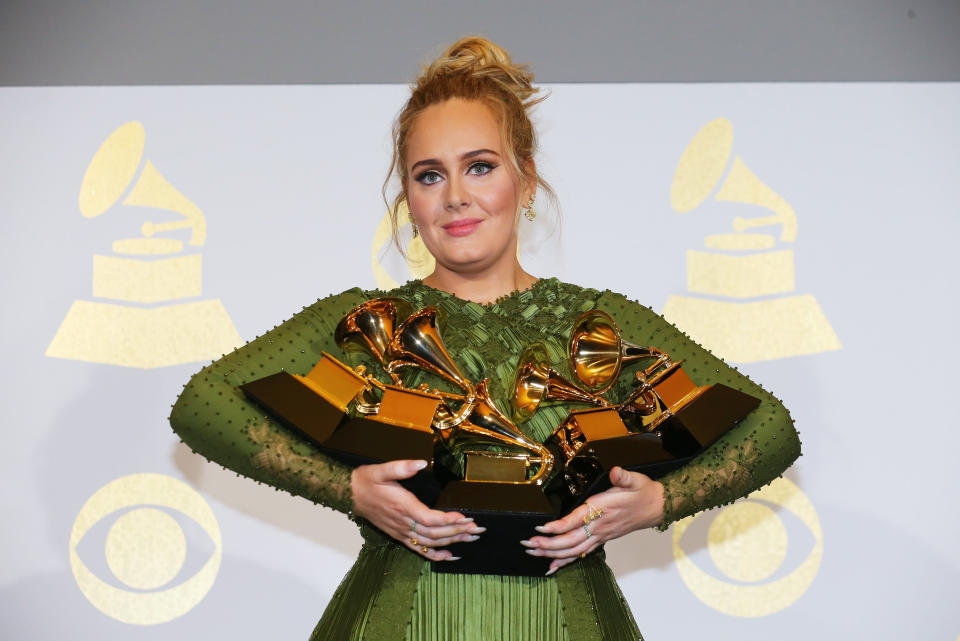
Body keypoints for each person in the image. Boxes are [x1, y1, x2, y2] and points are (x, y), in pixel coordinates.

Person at [169, 36, 801, 641]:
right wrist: (350, 490)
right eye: (429, 176)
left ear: (524, 181)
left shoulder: (599, 324)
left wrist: (658, 502)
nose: (456, 197)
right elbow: (203, 402)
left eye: (479, 166)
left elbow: (769, 426)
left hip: (566, 621)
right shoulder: (363, 322)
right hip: (401, 621)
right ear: (409, 204)